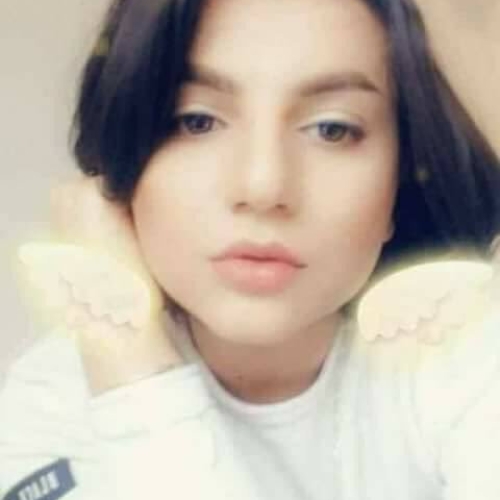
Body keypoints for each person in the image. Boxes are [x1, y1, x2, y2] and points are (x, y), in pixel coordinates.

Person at [2, 0, 500, 499]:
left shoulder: (466, 357)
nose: (263, 186)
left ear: (399, 180)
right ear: (122, 167)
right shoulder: (43, 410)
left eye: (332, 129)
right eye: (197, 121)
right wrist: (125, 354)